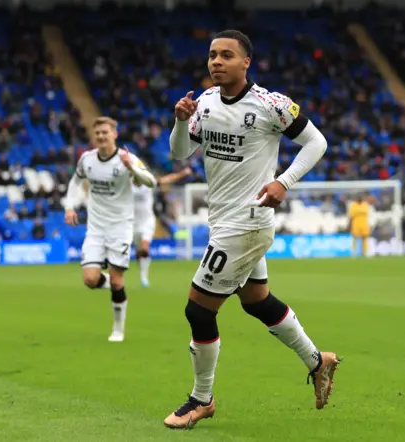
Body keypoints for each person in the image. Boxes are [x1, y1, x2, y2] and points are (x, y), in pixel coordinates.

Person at [164, 29, 339, 430]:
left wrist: (284, 181)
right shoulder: (204, 103)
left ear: (246, 62)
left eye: (226, 55)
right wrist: (179, 123)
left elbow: (317, 143)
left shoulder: (271, 105)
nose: (216, 62)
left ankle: (201, 399)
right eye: (212, 55)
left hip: (248, 223)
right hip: (222, 222)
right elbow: (179, 154)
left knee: (198, 309)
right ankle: (318, 361)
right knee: (258, 302)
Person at [64, 116, 157, 343]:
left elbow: (151, 181)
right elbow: (75, 182)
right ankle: (114, 285)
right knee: (90, 280)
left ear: (114, 134)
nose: (101, 136)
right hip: (95, 228)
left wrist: (131, 169)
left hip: (120, 228)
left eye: (105, 132)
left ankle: (118, 329)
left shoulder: (127, 158)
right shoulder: (86, 160)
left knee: (117, 281)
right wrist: (69, 207)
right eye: (97, 134)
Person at [132, 166, 193, 287]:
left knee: (144, 247)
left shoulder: (149, 184)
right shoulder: (127, 186)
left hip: (147, 221)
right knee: (139, 251)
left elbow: (167, 179)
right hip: (132, 223)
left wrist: (182, 173)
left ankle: (144, 277)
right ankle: (142, 268)